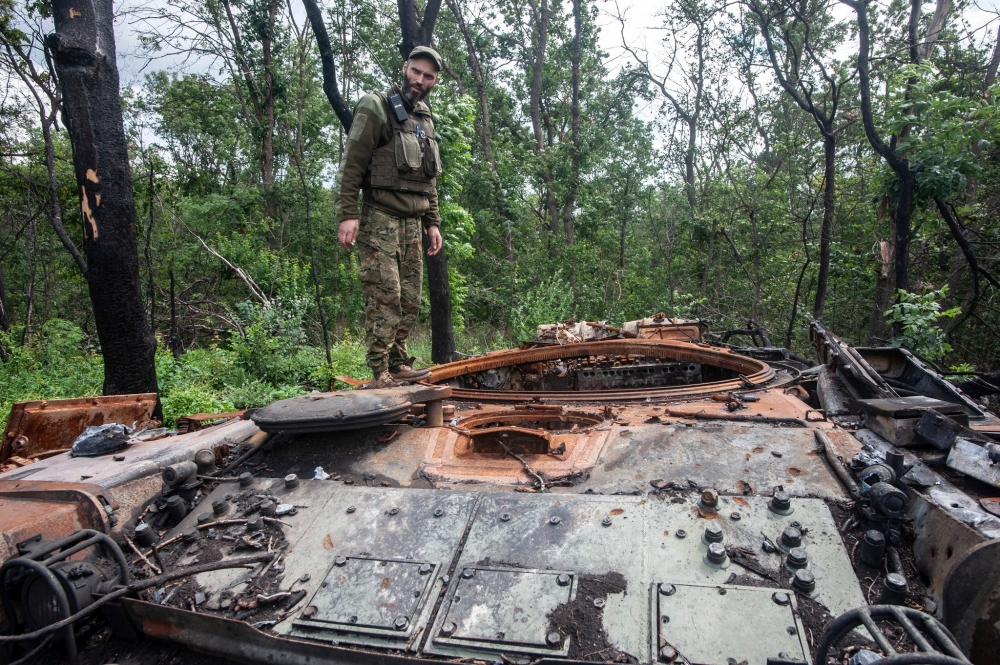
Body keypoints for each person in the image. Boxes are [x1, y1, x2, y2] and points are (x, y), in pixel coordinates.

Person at [334, 46, 445, 388]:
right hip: (380, 218)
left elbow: (429, 177)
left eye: (428, 76)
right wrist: (348, 214)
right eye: (416, 71)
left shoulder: (425, 118)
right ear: (405, 68)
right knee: (386, 297)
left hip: (413, 223)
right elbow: (352, 163)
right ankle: (379, 371)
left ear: (434, 81)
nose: (420, 80)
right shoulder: (376, 105)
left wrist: (433, 222)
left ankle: (397, 364)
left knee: (410, 299)